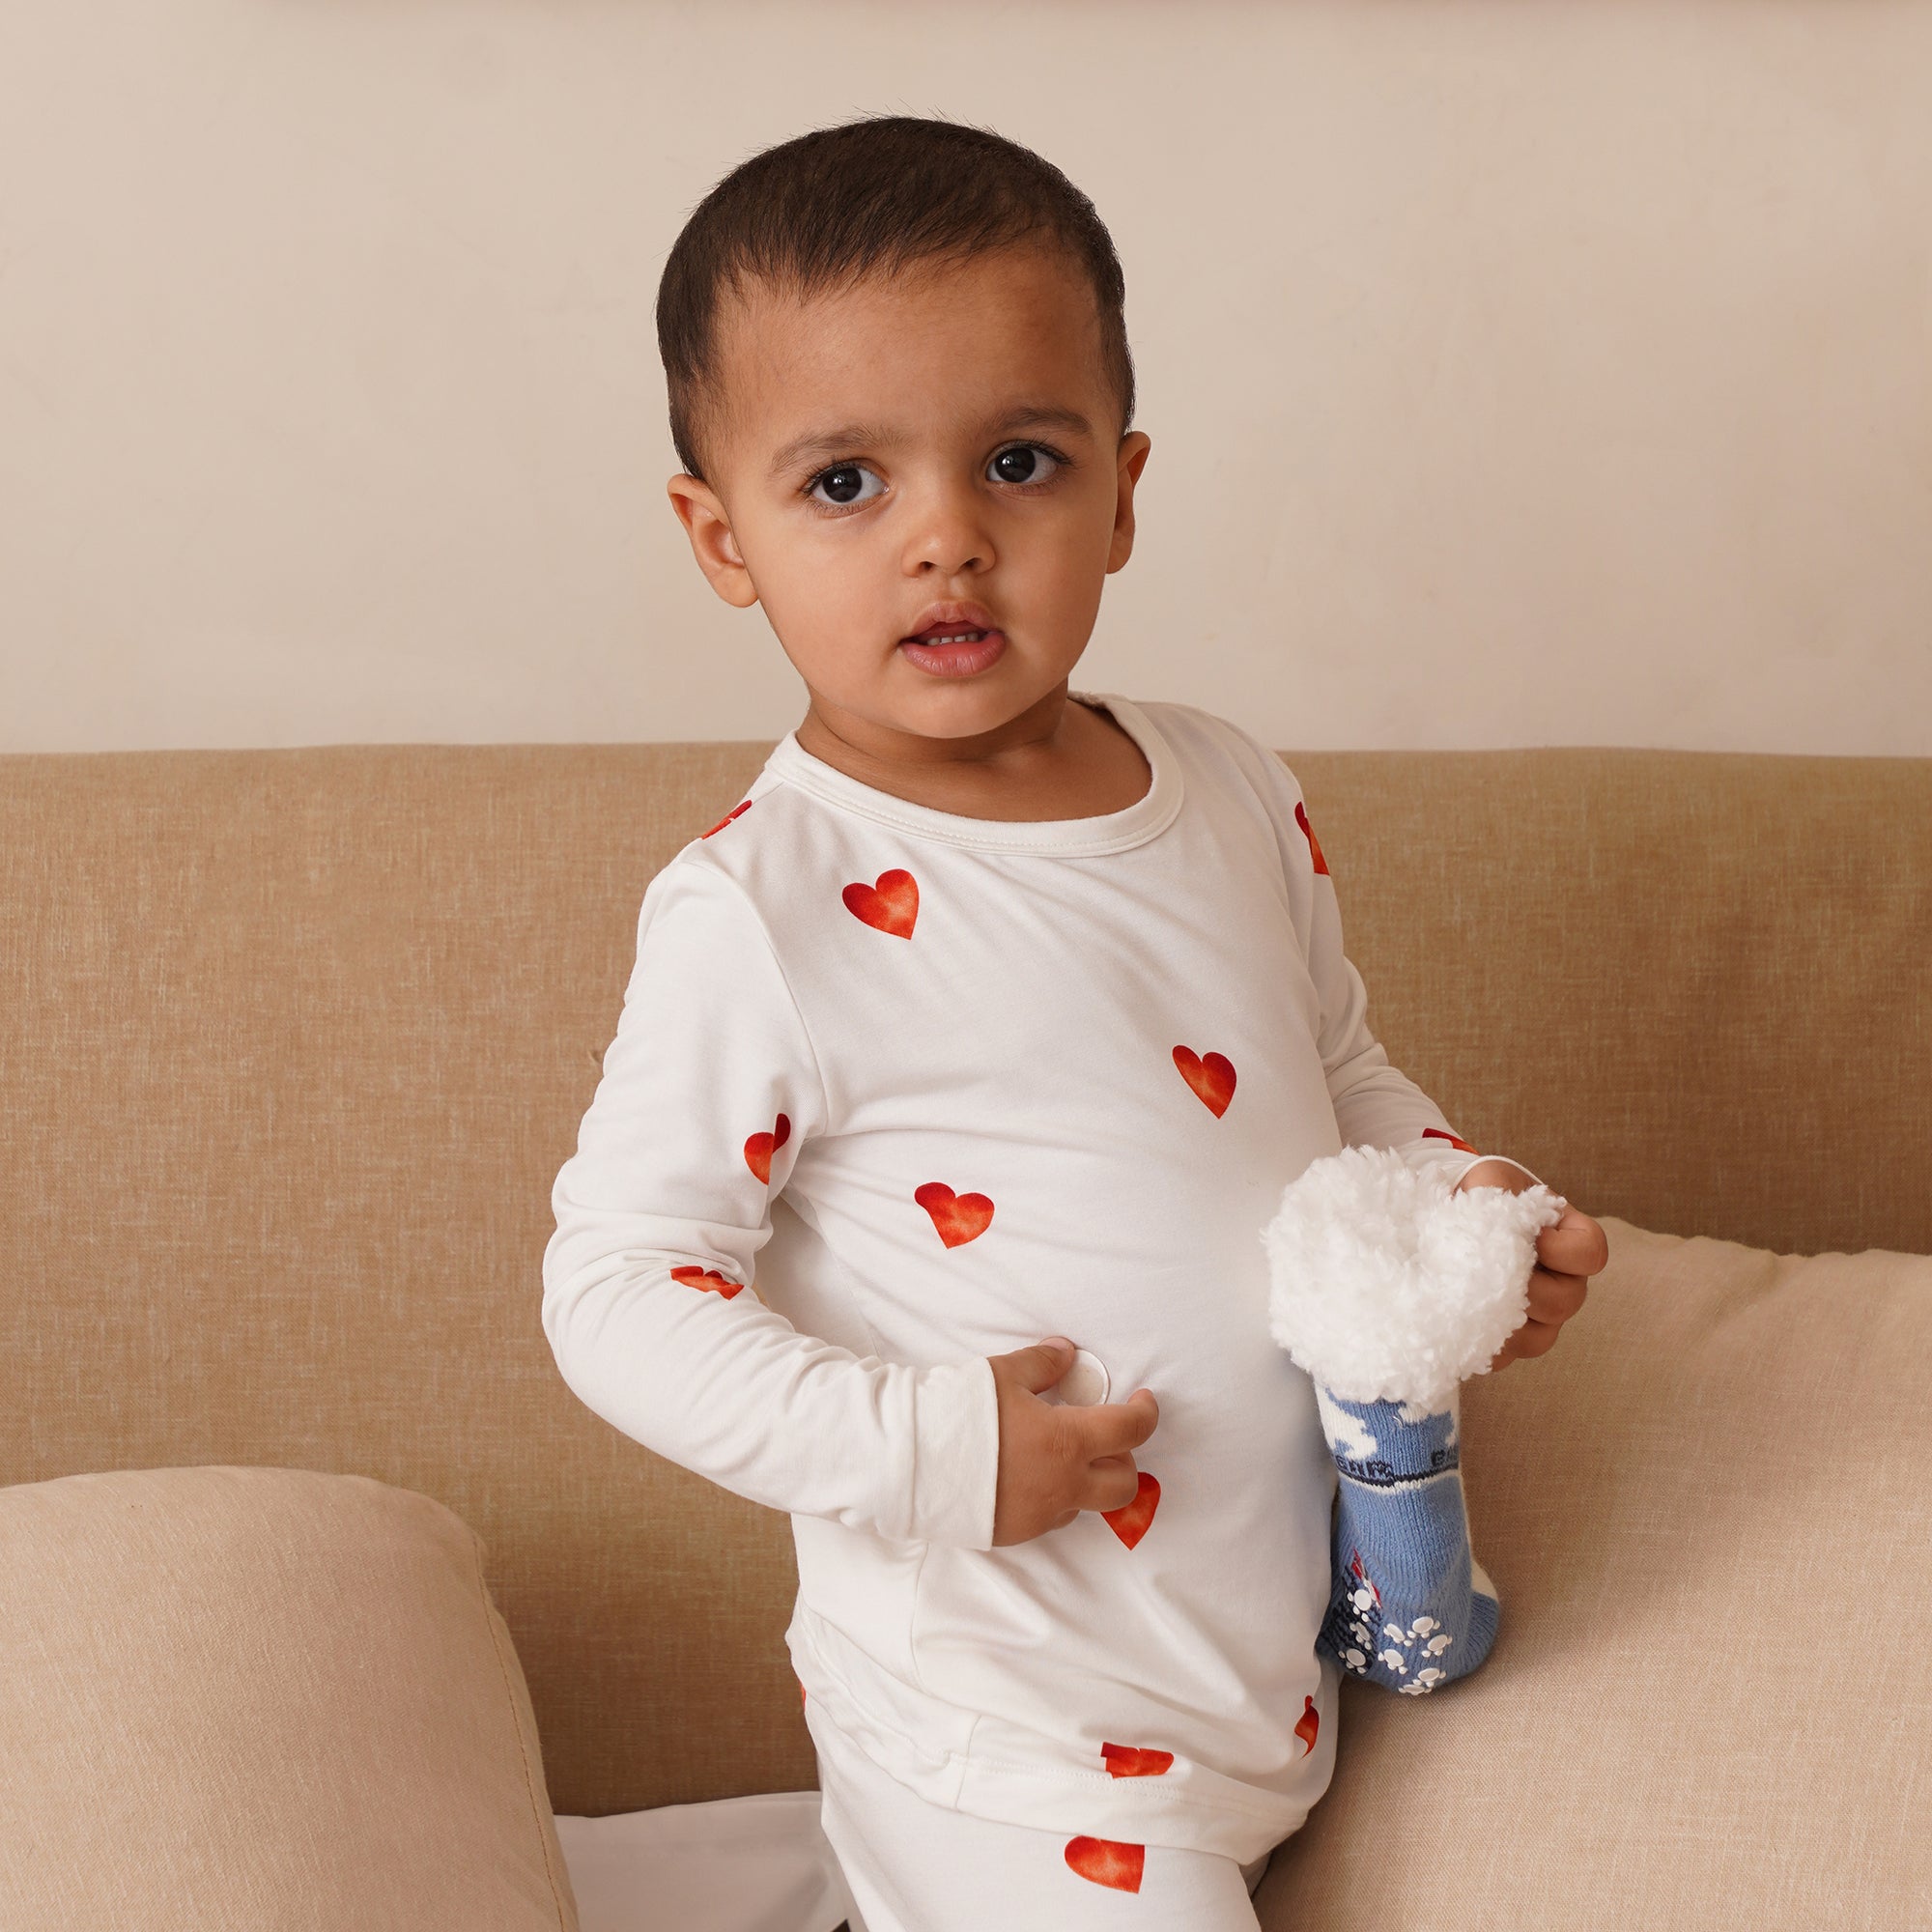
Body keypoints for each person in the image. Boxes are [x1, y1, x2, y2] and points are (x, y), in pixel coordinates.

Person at [542, 114, 1607, 1930]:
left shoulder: (1222, 782)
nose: (946, 540)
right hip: (1004, 1741)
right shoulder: (766, 910)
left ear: (1120, 490)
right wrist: (924, 1448)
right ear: (720, 538)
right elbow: (617, 1288)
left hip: (1252, 1684)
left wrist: (1453, 1206)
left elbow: (1331, 1070)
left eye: (1016, 462)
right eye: (846, 485)